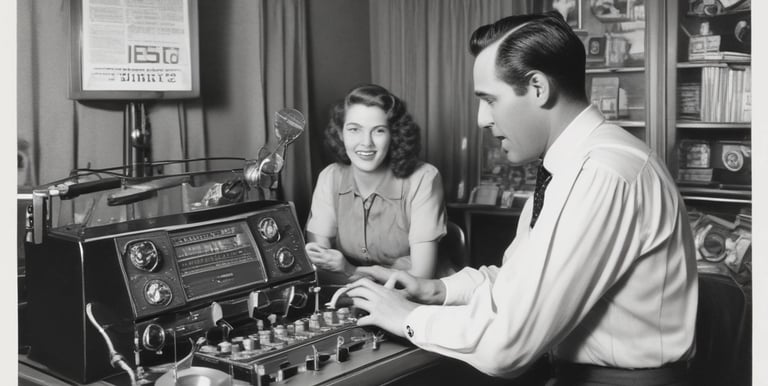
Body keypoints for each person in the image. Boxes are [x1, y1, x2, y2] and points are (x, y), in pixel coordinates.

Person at [346, 12, 698, 386]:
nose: (482, 119)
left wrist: (405, 317)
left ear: (537, 88)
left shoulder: (601, 173)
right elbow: (525, 280)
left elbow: (508, 345)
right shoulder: (571, 164)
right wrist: (436, 289)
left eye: (490, 100)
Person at [305, 84, 448, 283]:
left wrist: (350, 270)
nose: (366, 143)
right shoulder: (330, 178)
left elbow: (421, 277)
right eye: (354, 129)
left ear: (394, 135)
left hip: (422, 299)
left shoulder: (424, 178)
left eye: (378, 131)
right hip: (354, 296)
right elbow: (319, 266)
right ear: (340, 133)